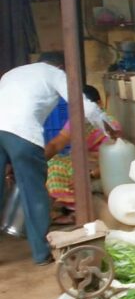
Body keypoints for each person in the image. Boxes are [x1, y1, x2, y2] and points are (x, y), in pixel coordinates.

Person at [0, 52, 112, 265]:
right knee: (34, 194)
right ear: (61, 66)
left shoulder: (13, 73)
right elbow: (83, 105)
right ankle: (41, 254)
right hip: (22, 133)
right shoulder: (54, 73)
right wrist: (107, 128)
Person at [44, 85, 118, 225]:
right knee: (53, 163)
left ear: (99, 104)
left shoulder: (109, 125)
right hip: (82, 162)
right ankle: (67, 207)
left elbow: (112, 160)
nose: (84, 111)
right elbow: (57, 143)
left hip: (100, 166)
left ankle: (77, 211)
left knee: (67, 172)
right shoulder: (77, 121)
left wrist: (90, 175)